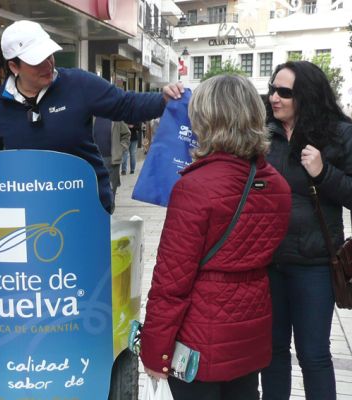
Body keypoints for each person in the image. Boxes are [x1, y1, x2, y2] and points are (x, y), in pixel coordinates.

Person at [139, 75, 291, 400]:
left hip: (199, 338)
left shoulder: (195, 188)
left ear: (206, 119)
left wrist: (155, 351)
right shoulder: (277, 185)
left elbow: (171, 281)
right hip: (251, 331)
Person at [0, 20, 183, 214]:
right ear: (14, 67)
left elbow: (125, 104)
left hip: (86, 203)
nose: (48, 64)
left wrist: (162, 100)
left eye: (49, 55)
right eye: (37, 61)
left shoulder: (78, 83)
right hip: (32, 207)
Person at [262, 61, 352, 400]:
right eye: (272, 89)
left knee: (313, 354)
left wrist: (324, 172)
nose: (274, 98)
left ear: (307, 96)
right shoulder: (264, 133)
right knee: (272, 353)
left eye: (284, 92)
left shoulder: (338, 134)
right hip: (268, 262)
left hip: (314, 264)